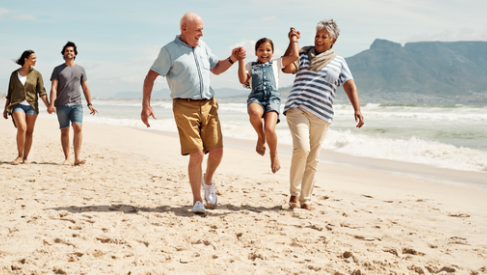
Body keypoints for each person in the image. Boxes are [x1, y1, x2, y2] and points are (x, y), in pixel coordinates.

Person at [141, 12, 246, 215]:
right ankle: (197, 200)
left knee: (217, 152)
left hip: (209, 104)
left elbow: (216, 68)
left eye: (202, 29)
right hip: (184, 106)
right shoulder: (169, 51)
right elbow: (150, 77)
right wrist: (146, 105)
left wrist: (232, 59)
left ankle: (207, 182)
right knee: (197, 154)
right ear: (184, 29)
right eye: (198, 30)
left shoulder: (202, 47)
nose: (202, 34)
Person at [282, 19, 364, 210]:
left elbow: (349, 85)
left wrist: (357, 109)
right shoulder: (303, 55)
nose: (319, 39)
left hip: (322, 113)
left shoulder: (339, 62)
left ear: (333, 40)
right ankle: (294, 194)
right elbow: (287, 67)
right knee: (302, 148)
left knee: (313, 158)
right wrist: (292, 41)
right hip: (298, 107)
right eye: (317, 35)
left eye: (324, 36)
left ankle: (306, 198)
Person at [237, 28, 300, 173]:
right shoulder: (250, 66)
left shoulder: (276, 64)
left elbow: (295, 55)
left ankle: (274, 153)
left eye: (268, 50)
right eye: (261, 50)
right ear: (256, 52)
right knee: (253, 112)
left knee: (270, 129)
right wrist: (241, 60)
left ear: (272, 52)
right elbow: (242, 79)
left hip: (272, 98)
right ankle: (261, 137)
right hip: (256, 97)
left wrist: (294, 38)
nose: (264, 53)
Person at [47, 41, 98, 166]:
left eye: (71, 51)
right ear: (63, 53)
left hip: (77, 104)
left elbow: (85, 87)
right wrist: (51, 104)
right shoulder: (57, 69)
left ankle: (77, 158)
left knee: (78, 127)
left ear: (75, 54)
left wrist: (89, 103)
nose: (69, 52)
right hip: (61, 105)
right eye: (67, 51)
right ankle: (67, 158)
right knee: (64, 131)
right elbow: (53, 87)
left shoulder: (80, 69)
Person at [3, 50, 51, 165]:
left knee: (29, 132)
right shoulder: (14, 74)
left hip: (32, 106)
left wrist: (49, 106)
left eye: (36, 58)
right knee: (22, 128)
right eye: (33, 58)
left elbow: (42, 92)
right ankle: (19, 155)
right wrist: (5, 109)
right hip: (17, 104)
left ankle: (25, 158)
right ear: (26, 59)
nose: (35, 60)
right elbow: (10, 92)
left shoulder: (37, 74)